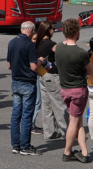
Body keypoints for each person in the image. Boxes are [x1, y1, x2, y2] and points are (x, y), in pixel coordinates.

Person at [55, 19, 93, 163]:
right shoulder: (81, 53)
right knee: (74, 121)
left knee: (78, 121)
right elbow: (90, 71)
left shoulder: (58, 47)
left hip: (65, 89)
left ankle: (84, 151)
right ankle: (67, 151)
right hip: (78, 90)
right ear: (77, 32)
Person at [7, 21, 40, 156]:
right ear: (31, 30)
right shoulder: (29, 45)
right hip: (27, 82)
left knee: (16, 115)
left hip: (16, 81)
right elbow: (33, 67)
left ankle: (15, 145)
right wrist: (41, 62)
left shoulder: (12, 42)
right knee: (27, 115)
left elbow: (9, 65)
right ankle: (25, 146)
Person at [34, 21, 67, 141]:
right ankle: (66, 132)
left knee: (46, 105)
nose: (54, 31)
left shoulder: (38, 43)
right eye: (52, 29)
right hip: (52, 76)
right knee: (59, 105)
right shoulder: (51, 44)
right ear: (48, 30)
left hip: (42, 75)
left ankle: (49, 132)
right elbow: (63, 54)